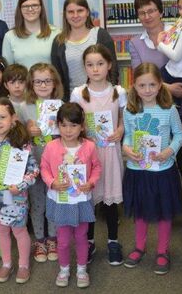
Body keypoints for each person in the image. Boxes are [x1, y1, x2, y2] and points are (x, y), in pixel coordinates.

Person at [129, 0, 182, 237]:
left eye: (151, 10)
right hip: (154, 108)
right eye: (142, 13)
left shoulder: (181, 31)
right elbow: (139, 76)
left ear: (160, 11)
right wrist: (168, 87)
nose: (147, 16)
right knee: (155, 159)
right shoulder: (136, 43)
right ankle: (161, 209)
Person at [122, 63, 182, 275]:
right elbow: (128, 135)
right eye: (142, 85)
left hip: (162, 170)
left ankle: (162, 250)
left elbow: (180, 134)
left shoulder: (169, 110)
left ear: (160, 86)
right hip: (137, 170)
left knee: (163, 211)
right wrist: (126, 148)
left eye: (152, 85)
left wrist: (170, 151)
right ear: (134, 86)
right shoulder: (129, 110)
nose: (147, 90)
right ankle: (140, 246)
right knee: (140, 210)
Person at [70, 44, 126, 265]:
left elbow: (123, 119)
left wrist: (120, 130)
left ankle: (113, 241)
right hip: (87, 156)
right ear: (84, 67)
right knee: (89, 200)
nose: (95, 69)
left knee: (110, 202)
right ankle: (89, 241)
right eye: (90, 65)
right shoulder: (78, 93)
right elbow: (73, 121)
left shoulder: (118, 92)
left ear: (109, 65)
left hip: (110, 153)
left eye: (100, 64)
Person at [40, 102, 101, 288]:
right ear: (57, 125)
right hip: (61, 201)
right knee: (64, 240)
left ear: (82, 126)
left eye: (73, 125)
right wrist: (52, 182)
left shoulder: (89, 146)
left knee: (82, 237)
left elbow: (97, 167)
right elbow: (44, 168)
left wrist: (91, 182)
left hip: (81, 200)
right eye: (64, 125)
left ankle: (82, 269)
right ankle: (64, 269)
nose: (68, 130)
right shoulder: (51, 147)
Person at [0, 98, 39, 284]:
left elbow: (33, 170)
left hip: (16, 197)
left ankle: (23, 265)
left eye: (2, 117)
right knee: (0, 228)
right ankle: (7, 264)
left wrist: (20, 186)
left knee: (19, 230)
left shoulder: (21, 142)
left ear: (13, 118)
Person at [21, 63, 64, 263]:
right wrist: (27, 131)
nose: (43, 85)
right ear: (31, 84)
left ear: (54, 83)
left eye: (47, 80)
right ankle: (39, 239)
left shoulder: (61, 104)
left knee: (53, 200)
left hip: (56, 162)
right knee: (37, 203)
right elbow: (17, 137)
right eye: (38, 81)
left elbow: (69, 132)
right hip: (34, 162)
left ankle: (53, 238)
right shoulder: (24, 107)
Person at [51, 0, 118, 99]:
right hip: (72, 101)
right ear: (65, 15)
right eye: (71, 12)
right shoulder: (58, 42)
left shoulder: (100, 35)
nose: (75, 15)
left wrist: (111, 95)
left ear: (87, 12)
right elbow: (57, 76)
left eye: (80, 11)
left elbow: (113, 68)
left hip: (101, 97)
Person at [2, 0, 60, 68]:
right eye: (25, 6)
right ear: (20, 9)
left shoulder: (56, 33)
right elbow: (8, 71)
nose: (30, 9)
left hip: (50, 80)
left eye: (35, 5)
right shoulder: (9, 36)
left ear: (41, 8)